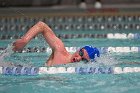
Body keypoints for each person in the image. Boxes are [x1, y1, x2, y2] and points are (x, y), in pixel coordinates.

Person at [13, 21, 100, 66]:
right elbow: (41, 26)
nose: (78, 58)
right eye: (81, 53)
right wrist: (24, 40)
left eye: (84, 60)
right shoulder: (60, 50)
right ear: (79, 49)